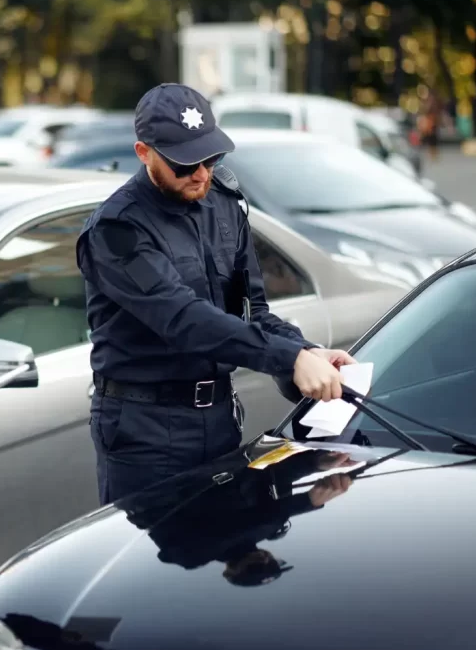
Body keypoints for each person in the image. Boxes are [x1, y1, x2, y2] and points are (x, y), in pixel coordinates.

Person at [76, 82, 353, 505]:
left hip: (220, 417)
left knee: (231, 549)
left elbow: (252, 312)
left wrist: (306, 350)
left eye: (210, 156)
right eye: (184, 164)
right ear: (144, 152)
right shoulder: (118, 230)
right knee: (151, 567)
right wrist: (288, 358)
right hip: (144, 431)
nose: (202, 173)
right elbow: (184, 320)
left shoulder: (224, 203)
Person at [115, 445, 356, 586]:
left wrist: (305, 503)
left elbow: (228, 531)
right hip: (212, 440)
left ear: (228, 572)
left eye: (255, 569)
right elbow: (269, 475)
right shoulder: (270, 525)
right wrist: (317, 462)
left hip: (154, 458)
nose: (263, 560)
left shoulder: (189, 556)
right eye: (271, 563)